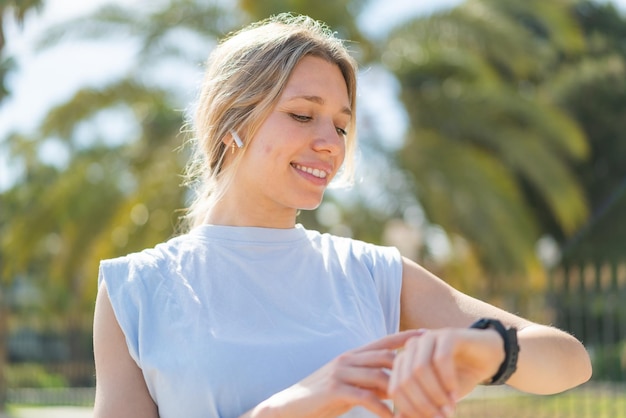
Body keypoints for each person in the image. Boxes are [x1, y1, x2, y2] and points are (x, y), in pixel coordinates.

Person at [92, 13, 592, 418]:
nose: (330, 144)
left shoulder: (373, 274)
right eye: (303, 115)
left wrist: (486, 351)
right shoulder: (134, 291)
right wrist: (285, 410)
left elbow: (570, 361)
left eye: (342, 125)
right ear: (232, 122)